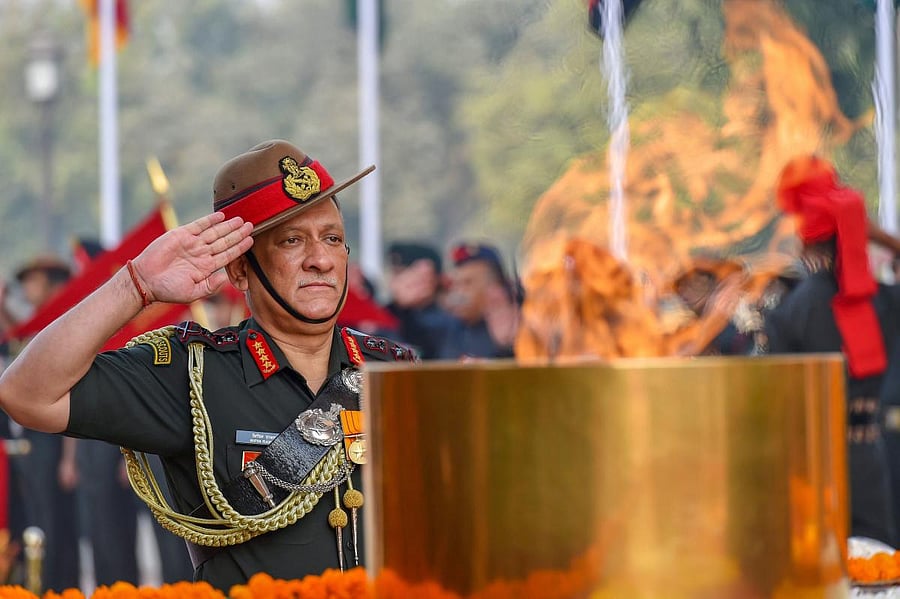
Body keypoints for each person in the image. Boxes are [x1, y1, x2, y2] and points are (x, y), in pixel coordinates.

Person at [0, 139, 417, 592]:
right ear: (239, 271)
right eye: (292, 240)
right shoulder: (192, 373)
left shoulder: (395, 372)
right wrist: (134, 285)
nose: (320, 259)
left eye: (332, 238)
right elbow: (26, 394)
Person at [765, 154, 900, 546]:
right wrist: (875, 234)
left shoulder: (790, 309)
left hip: (812, 462)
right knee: (876, 569)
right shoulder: (881, 301)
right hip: (869, 456)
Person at [4, 255, 80, 592]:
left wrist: (68, 456)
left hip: (52, 437)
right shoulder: (38, 323)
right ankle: (43, 582)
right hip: (31, 440)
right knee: (37, 516)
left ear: (51, 281)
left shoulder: (62, 322)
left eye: (33, 280)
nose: (27, 288)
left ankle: (53, 585)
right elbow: (16, 337)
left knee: (52, 520)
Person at [437, 242, 519, 360]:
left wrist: (507, 348)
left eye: (467, 283)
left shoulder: (519, 327)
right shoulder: (449, 328)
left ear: (495, 289)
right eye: (455, 284)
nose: (458, 293)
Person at [385, 242, 454, 359]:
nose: (399, 282)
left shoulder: (447, 319)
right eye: (396, 273)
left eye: (402, 272)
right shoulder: (389, 312)